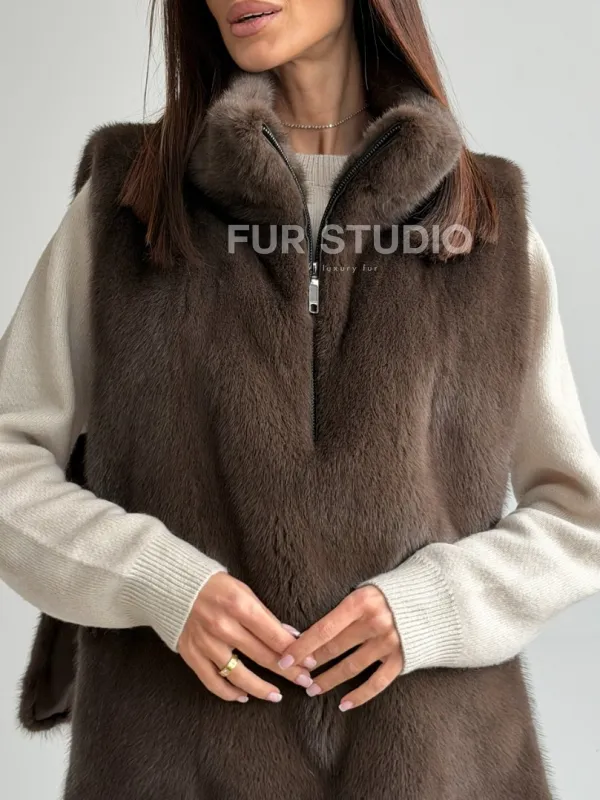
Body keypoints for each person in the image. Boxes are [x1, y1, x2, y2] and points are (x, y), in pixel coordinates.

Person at [1, 0, 600, 797]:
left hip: (439, 773)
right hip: (172, 768)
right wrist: (158, 581)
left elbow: (577, 515)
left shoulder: (482, 218)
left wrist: (432, 607)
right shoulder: (132, 204)